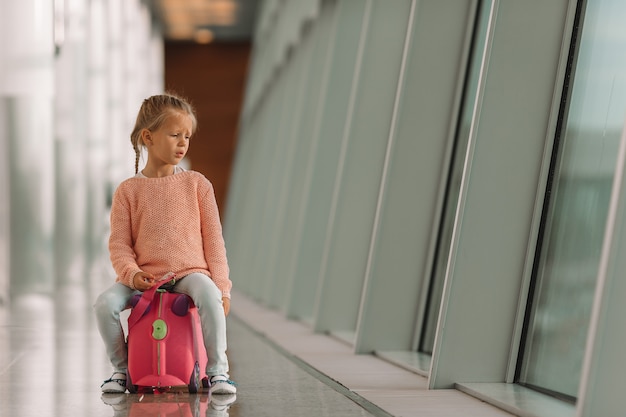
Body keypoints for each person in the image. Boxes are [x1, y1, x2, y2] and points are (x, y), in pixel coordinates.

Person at [93, 93, 236, 396]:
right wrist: (132, 274)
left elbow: (214, 243)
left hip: (188, 274)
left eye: (187, 136)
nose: (183, 142)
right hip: (141, 277)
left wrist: (222, 288)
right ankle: (121, 370)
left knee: (209, 296)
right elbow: (119, 245)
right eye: (174, 135)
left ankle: (218, 372)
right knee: (104, 304)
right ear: (148, 137)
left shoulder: (198, 185)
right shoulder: (127, 191)